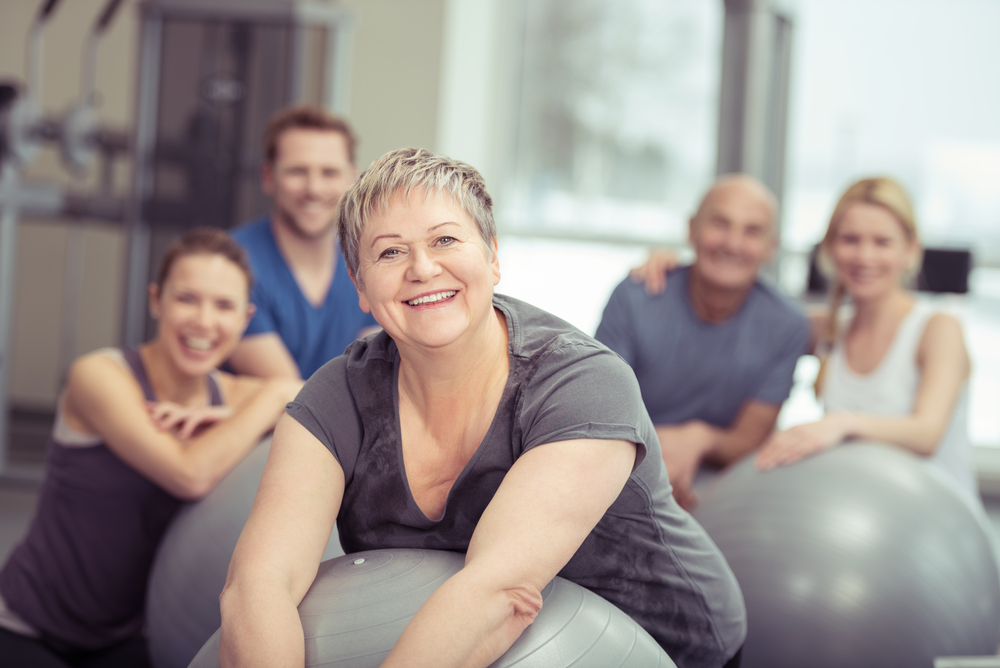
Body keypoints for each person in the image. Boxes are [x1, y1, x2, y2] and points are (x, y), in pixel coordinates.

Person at [219, 149, 746, 668]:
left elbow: (499, 593)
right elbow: (259, 584)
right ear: (359, 286)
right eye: (389, 253)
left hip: (669, 646)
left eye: (445, 239)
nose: (422, 268)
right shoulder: (336, 399)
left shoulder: (581, 383)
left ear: (493, 257)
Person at [0, 228, 302, 667]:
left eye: (223, 306)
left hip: (128, 636)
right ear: (156, 300)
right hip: (26, 627)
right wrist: (272, 399)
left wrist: (253, 407)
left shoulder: (237, 397)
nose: (203, 320)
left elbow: (325, 395)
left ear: (245, 318)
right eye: (186, 298)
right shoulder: (100, 376)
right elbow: (188, 473)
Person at [755, 177, 980, 509]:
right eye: (850, 239)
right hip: (862, 521)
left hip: (939, 528)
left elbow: (927, 434)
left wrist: (841, 423)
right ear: (829, 247)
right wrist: (673, 270)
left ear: (910, 249)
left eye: (882, 242)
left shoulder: (938, 327)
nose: (864, 255)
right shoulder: (826, 327)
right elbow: (743, 314)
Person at [594, 175, 810, 509]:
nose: (733, 243)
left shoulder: (787, 325)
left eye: (752, 231)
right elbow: (600, 408)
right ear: (692, 229)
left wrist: (700, 437)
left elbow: (751, 437)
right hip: (621, 465)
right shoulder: (636, 296)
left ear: (771, 247)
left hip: (720, 484)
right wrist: (655, 463)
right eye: (720, 224)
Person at [227, 106, 379, 380]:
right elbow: (293, 400)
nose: (314, 189)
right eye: (297, 171)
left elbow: (371, 378)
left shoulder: (371, 260)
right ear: (268, 176)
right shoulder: (230, 265)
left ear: (352, 178)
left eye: (329, 173)